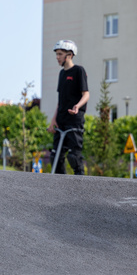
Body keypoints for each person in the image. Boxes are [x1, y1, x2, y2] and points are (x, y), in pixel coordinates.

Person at [47, 40, 89, 175]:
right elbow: (60, 100)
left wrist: (77, 106)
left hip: (74, 120)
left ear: (69, 55)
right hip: (61, 120)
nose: (57, 57)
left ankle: (80, 183)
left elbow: (86, 94)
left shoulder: (78, 71)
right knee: (55, 157)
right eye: (56, 54)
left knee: (74, 157)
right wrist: (53, 120)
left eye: (60, 54)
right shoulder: (61, 74)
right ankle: (61, 185)